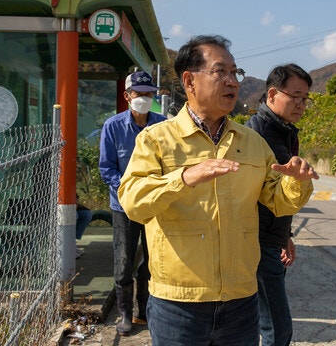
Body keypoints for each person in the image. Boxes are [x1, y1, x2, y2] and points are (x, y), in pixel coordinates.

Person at [117, 34, 319, 346]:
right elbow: (133, 203)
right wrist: (183, 178)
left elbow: (278, 202)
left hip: (240, 299)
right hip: (178, 304)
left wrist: (296, 182)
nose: (232, 82)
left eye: (235, 73)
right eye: (220, 71)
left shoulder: (252, 142)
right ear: (189, 80)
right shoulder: (156, 139)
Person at [245, 63, 313, 346]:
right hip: (258, 242)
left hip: (271, 238)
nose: (301, 104)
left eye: (305, 98)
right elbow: (254, 195)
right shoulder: (256, 135)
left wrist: (286, 235)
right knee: (277, 328)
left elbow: (278, 193)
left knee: (264, 322)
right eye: (295, 96)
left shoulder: (283, 130)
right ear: (272, 94)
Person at [99, 71, 167, 336]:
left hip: (154, 207)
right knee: (124, 260)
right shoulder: (113, 127)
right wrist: (131, 190)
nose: (144, 98)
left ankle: (145, 311)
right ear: (127, 96)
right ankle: (125, 313)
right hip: (123, 207)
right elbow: (107, 168)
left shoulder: (162, 125)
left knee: (153, 261)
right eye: (139, 94)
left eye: (149, 94)